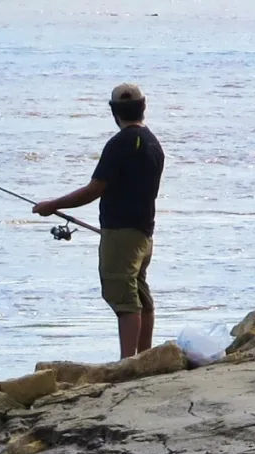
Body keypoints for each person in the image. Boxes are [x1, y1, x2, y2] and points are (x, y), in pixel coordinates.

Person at [33, 84, 165, 358]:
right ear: (143, 107)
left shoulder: (119, 144)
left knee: (125, 300)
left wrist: (52, 205)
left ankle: (129, 362)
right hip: (144, 233)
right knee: (140, 296)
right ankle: (145, 358)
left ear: (114, 112)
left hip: (121, 234)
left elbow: (94, 190)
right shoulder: (153, 143)